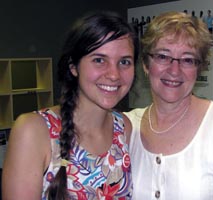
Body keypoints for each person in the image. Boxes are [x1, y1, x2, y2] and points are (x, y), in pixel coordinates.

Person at [2, 11, 139, 200]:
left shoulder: (124, 128)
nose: (114, 74)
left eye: (124, 62)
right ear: (73, 66)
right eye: (99, 60)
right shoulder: (33, 130)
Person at [125, 11, 213, 200]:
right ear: (146, 64)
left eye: (188, 60)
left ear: (199, 68)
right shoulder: (127, 127)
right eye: (163, 56)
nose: (174, 70)